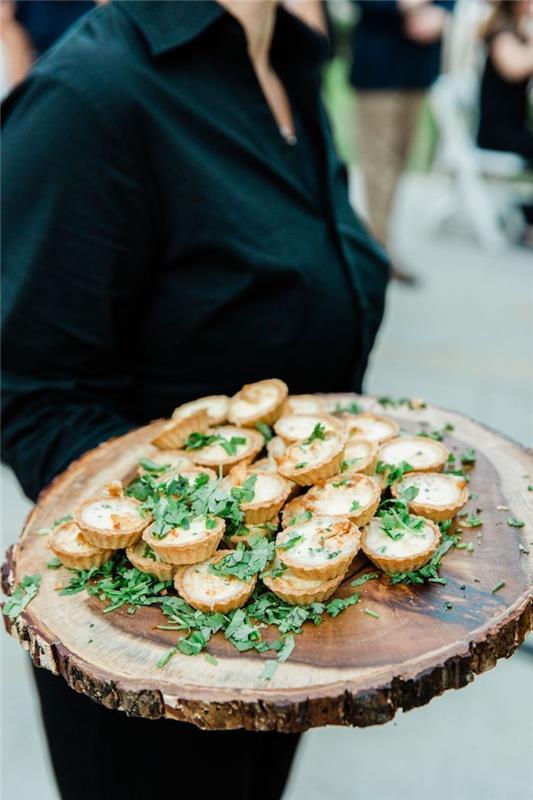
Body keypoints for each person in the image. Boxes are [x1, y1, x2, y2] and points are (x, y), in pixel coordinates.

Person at [1, 1, 389, 799]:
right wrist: (208, 547)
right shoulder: (90, 96)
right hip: (159, 656)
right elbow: (32, 393)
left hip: (281, 627)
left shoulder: (286, 55)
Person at [350, 0, 455, 281]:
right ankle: (377, 250)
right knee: (379, 163)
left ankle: (383, 243)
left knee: (400, 160)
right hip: (378, 65)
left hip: (418, 66)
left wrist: (443, 11)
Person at [477, 0, 533, 245]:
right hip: (496, 132)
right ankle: (529, 218)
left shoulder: (518, 32)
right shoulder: (501, 34)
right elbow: (515, 68)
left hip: (514, 128)